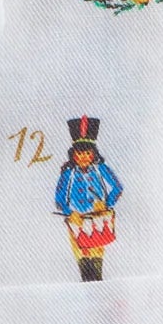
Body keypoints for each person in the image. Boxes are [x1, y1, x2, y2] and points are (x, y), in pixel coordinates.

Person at [53, 115, 121, 280]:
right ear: (73, 155)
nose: (83, 157)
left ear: (93, 154)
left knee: (97, 254)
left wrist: (106, 204)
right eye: (79, 153)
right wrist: (70, 212)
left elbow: (117, 187)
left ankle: (98, 286)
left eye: (87, 153)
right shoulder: (68, 173)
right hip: (77, 221)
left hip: (98, 219)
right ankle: (86, 285)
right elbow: (59, 198)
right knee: (82, 255)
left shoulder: (100, 168)